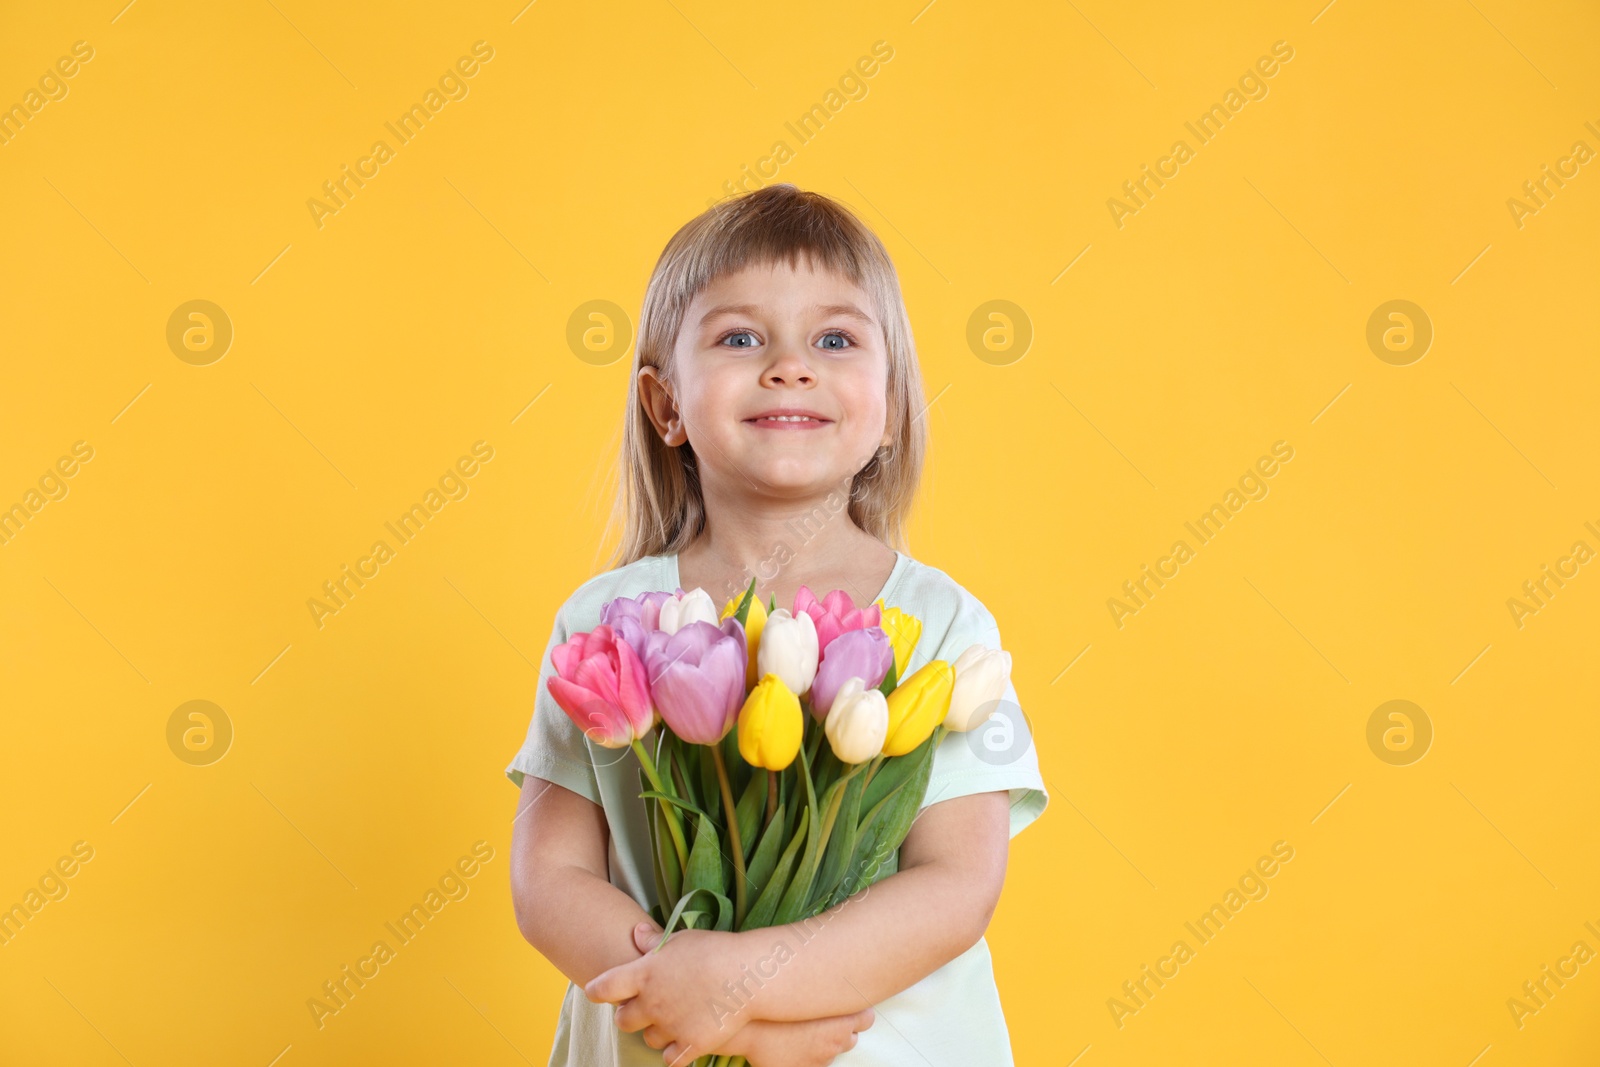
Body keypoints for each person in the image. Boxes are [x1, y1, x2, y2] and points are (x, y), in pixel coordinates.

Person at [506, 183, 1049, 1066]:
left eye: (834, 339)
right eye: (739, 338)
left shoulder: (940, 623)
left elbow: (956, 885)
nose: (789, 365)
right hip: (661, 1039)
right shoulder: (604, 620)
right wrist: (682, 996)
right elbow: (549, 878)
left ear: (890, 404)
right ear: (665, 404)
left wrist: (743, 995)